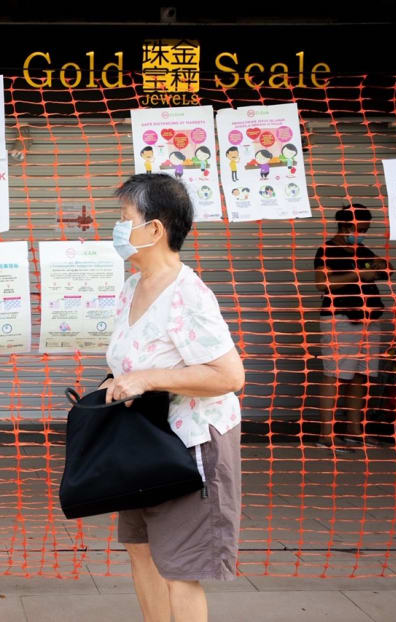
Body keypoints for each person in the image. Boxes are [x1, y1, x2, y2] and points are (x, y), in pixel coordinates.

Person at [102, 173, 245, 622]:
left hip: (190, 445)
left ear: (155, 230)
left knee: (180, 567)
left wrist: (146, 378)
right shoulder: (132, 287)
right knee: (142, 552)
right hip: (142, 443)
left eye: (125, 218)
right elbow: (133, 361)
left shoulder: (189, 295)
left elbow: (229, 375)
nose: (118, 228)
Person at [313, 204, 391, 450]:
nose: (362, 234)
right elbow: (322, 283)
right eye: (360, 229)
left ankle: (353, 432)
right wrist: (358, 275)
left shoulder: (361, 250)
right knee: (335, 376)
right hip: (341, 320)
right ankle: (326, 435)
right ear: (346, 226)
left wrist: (379, 266)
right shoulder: (327, 250)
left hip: (369, 319)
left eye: (366, 230)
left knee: (360, 376)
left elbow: (382, 272)